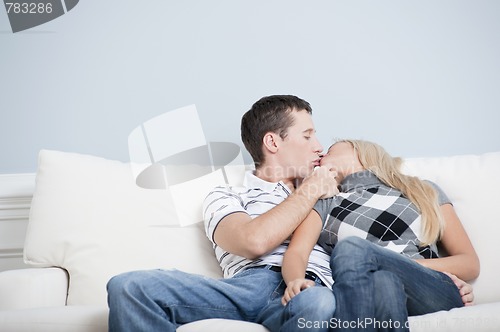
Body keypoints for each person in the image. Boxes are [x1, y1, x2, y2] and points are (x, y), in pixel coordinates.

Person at [107, 96, 474, 332]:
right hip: (250, 286)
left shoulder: (338, 197)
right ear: (273, 142)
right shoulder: (227, 194)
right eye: (308, 136)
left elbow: (378, 248)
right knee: (128, 286)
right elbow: (252, 241)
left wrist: (426, 276)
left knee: (317, 303)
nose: (319, 148)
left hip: (317, 291)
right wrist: (312, 189)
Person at [281, 139, 480, 331]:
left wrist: (397, 263)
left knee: (351, 247)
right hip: (370, 293)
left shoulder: (422, 189)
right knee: (383, 283)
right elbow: (297, 252)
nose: (322, 153)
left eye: (331, 150)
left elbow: (469, 263)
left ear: (360, 152)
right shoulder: (326, 202)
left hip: (429, 288)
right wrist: (295, 282)